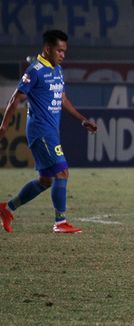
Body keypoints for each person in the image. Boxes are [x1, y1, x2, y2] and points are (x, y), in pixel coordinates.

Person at [0, 30, 97, 234]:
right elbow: (15, 99)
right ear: (47, 49)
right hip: (40, 131)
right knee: (62, 172)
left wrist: (82, 120)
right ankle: (60, 222)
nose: (63, 55)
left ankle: (7, 208)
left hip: (51, 131)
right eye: (59, 51)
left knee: (45, 181)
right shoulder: (34, 70)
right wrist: (3, 127)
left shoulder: (58, 70)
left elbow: (62, 100)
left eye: (64, 51)